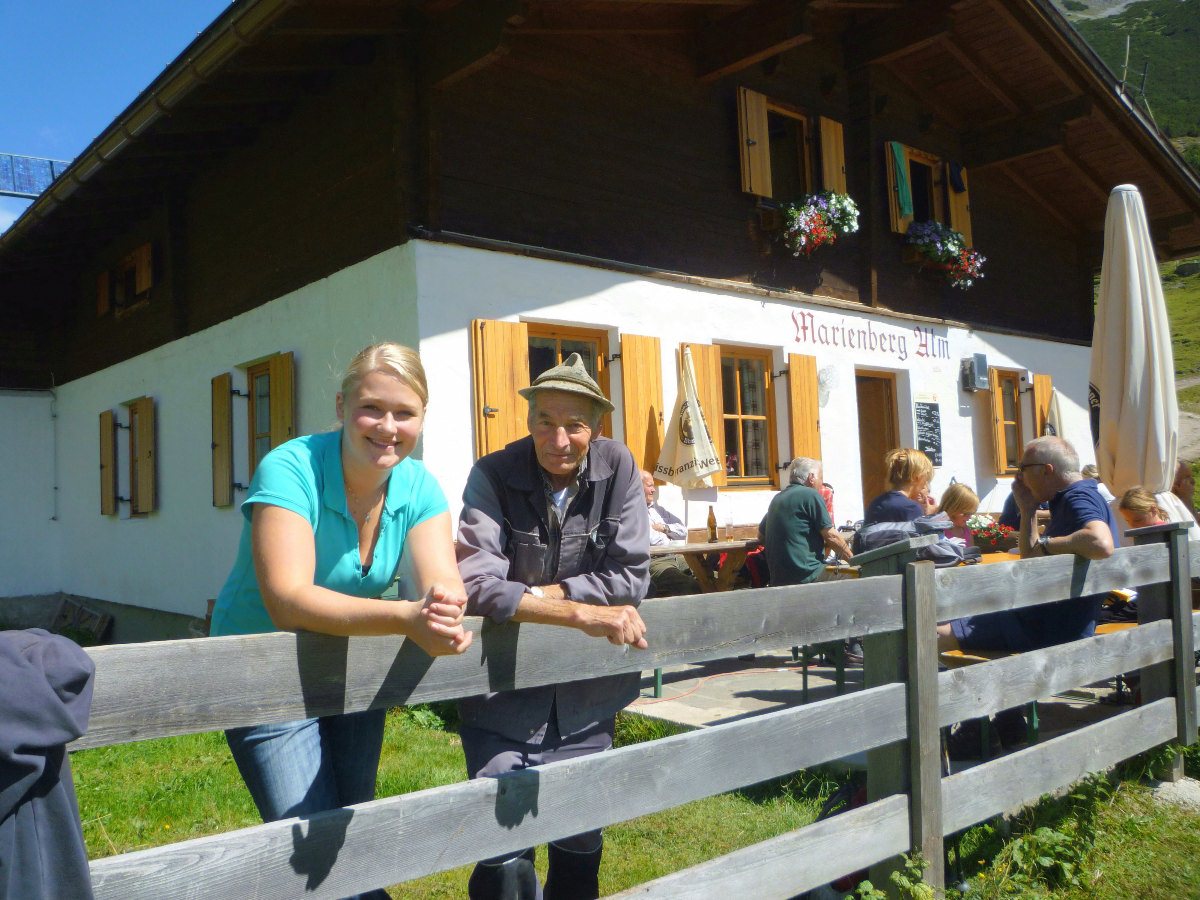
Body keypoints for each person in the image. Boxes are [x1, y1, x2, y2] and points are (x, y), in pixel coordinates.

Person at [209, 343, 472, 900]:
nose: (387, 426)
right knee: (311, 843)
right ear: (341, 406)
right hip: (264, 670)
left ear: (422, 418)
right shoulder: (290, 467)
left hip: (352, 664)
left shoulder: (419, 485)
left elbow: (439, 577)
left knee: (352, 827)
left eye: (405, 413)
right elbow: (286, 599)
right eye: (371, 408)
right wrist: (406, 617)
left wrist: (445, 606)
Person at [456, 353, 649, 900]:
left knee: (579, 841)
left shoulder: (619, 468)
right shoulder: (492, 473)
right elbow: (474, 582)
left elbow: (631, 578)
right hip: (503, 697)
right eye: (545, 421)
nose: (559, 438)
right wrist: (579, 611)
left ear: (597, 426)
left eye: (575, 424)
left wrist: (539, 595)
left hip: (588, 700)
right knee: (501, 846)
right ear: (528, 420)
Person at [939, 436, 1116, 654]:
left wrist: (1047, 543)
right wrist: (1028, 510)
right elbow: (1031, 557)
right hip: (1047, 620)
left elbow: (1101, 543)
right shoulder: (1076, 497)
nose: (1020, 476)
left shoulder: (1077, 497)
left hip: (1042, 627)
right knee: (955, 619)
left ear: (1046, 470)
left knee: (935, 633)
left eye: (1023, 468)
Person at [760, 457, 852, 585]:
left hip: (779, 579)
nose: (822, 483)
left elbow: (760, 536)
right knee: (854, 577)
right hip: (807, 575)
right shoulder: (810, 495)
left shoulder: (777, 499)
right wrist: (855, 561)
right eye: (821, 478)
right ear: (811, 477)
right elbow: (831, 536)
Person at [640, 470, 699, 597]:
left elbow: (683, 531)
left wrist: (664, 528)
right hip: (655, 561)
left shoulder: (658, 510)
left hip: (677, 556)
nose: (654, 490)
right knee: (688, 585)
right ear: (637, 487)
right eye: (650, 485)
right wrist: (671, 536)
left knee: (712, 577)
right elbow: (654, 540)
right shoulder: (632, 512)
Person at [862, 448, 937, 526]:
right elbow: (925, 537)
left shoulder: (876, 503)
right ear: (916, 478)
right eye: (925, 480)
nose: (924, 485)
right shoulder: (910, 508)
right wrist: (930, 517)